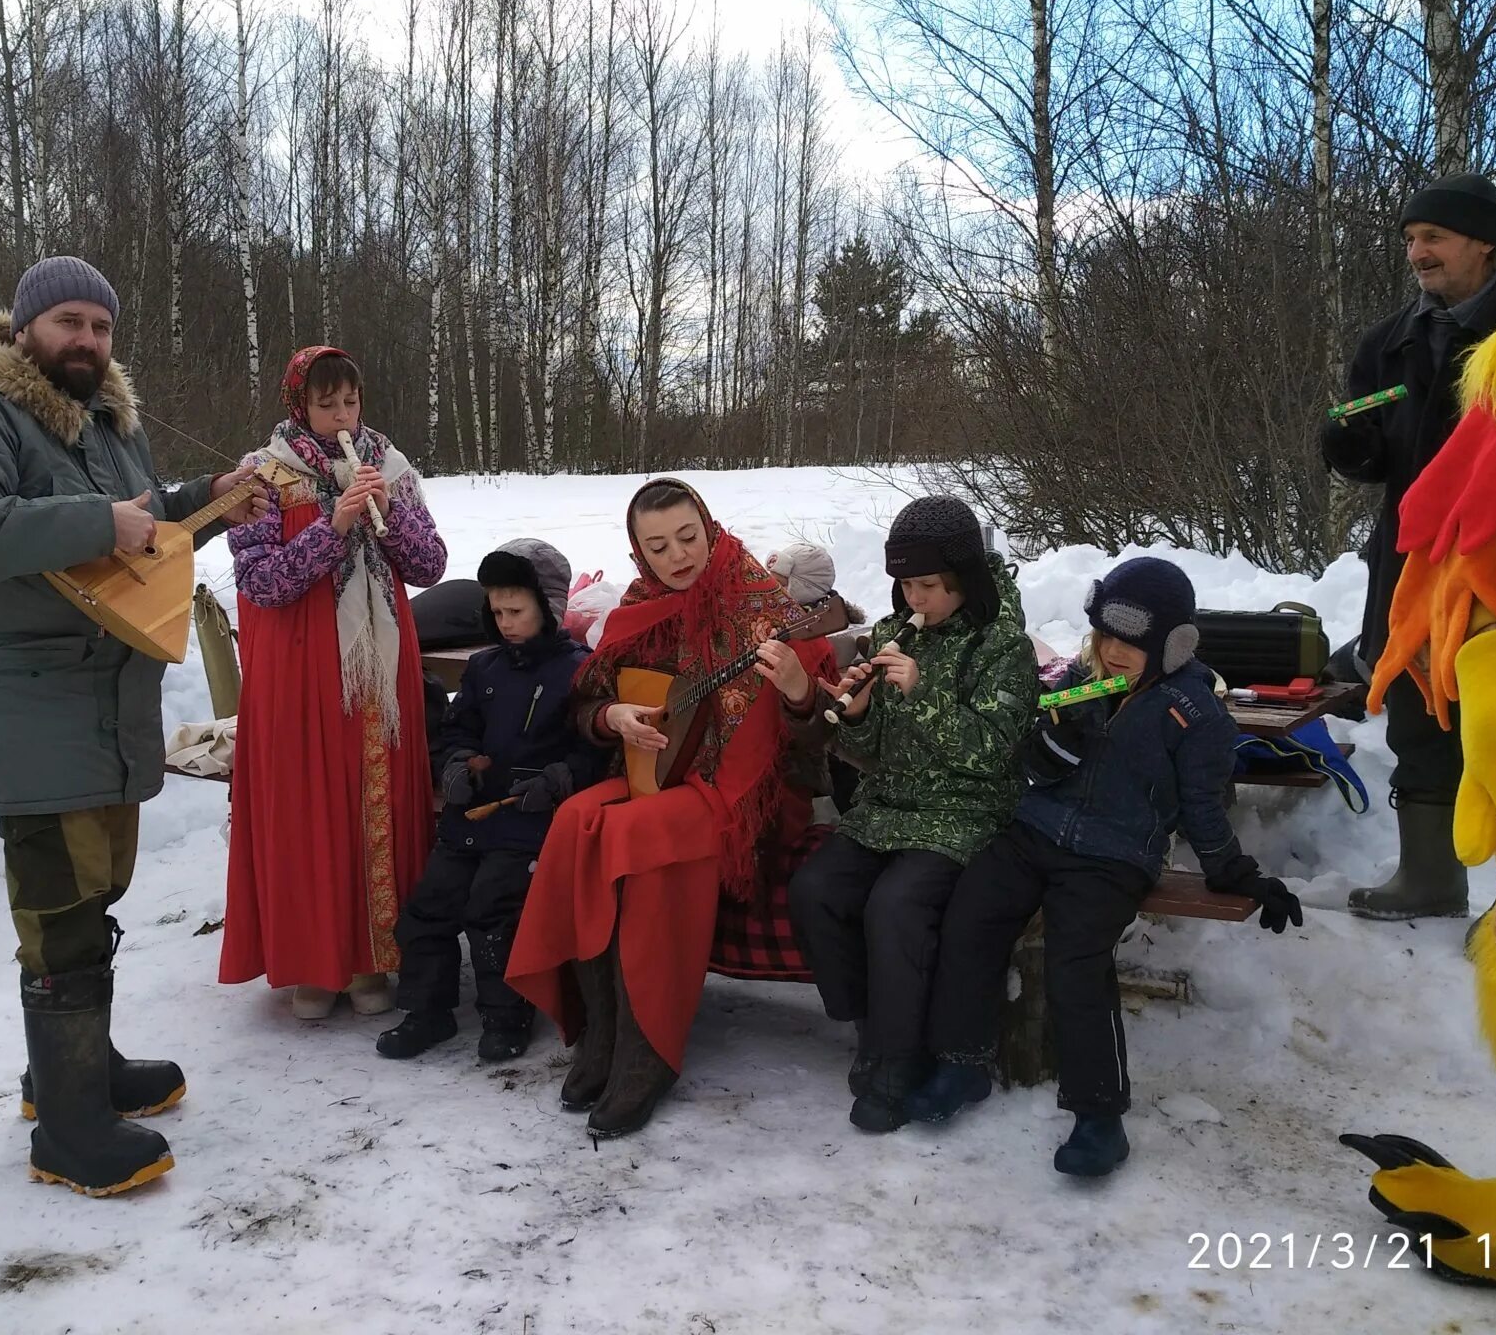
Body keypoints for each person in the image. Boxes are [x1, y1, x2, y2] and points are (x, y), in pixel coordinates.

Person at [0, 255, 269, 1197]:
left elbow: (140, 526)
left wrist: (216, 498)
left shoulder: (111, 425)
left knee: (95, 893)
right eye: (69, 321)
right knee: (58, 905)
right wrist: (93, 523)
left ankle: (73, 1074)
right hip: (34, 700)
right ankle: (69, 1133)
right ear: (27, 327)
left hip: (111, 703)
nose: (86, 340)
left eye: (101, 326)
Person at [910, 558, 1304, 1178]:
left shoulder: (1193, 713)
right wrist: (1055, 734)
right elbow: (1031, 761)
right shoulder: (1075, 679)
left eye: (1132, 642)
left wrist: (1235, 870)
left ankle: (1099, 1116)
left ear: (1172, 645)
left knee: (1077, 960)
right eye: (1105, 636)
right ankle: (961, 1063)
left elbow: (1203, 806)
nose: (1113, 652)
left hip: (1114, 855)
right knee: (970, 917)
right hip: (1034, 833)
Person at [505, 479, 832, 1139]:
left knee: (633, 836)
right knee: (576, 821)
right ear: (639, 554)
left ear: (709, 527)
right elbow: (589, 704)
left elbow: (817, 730)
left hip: (745, 803)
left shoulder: (762, 605)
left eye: (688, 537)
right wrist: (613, 715)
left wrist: (799, 691)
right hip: (658, 769)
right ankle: (602, 1030)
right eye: (658, 547)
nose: (678, 556)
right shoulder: (640, 605)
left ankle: (647, 1052)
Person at [777, 497, 1037, 1133]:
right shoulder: (893, 633)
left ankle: (896, 1060)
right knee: (815, 891)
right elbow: (867, 753)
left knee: (896, 907)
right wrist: (859, 712)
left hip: (965, 812)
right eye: (904, 583)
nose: (914, 596)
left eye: (929, 584)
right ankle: (879, 1031)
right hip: (889, 807)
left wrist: (920, 694)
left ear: (964, 579)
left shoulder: (1002, 647)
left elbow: (987, 754)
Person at [1321, 174, 1496, 920]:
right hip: (1412, 563)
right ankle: (1430, 878)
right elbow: (1374, 459)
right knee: (1420, 714)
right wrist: (1345, 445)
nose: (1418, 253)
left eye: (1434, 238)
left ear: (1485, 242)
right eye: (1411, 240)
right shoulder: (1388, 342)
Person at [218, 346, 447, 1019]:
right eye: (326, 403)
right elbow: (261, 583)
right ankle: (312, 965)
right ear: (299, 405)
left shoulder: (389, 466)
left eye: (350, 400)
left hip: (377, 671)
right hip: (297, 669)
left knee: (372, 800)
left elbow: (430, 564)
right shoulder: (261, 477)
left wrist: (387, 510)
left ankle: (374, 959)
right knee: (308, 808)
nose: (341, 415)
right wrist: (334, 525)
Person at [377, 539, 604, 1064]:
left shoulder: (578, 670)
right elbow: (458, 730)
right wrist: (456, 765)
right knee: (429, 907)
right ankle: (426, 1012)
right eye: (496, 610)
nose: (504, 622)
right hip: (471, 818)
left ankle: (505, 1017)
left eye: (516, 611)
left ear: (548, 608)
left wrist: (560, 778)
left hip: (529, 821)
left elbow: (594, 750)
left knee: (492, 911)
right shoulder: (484, 669)